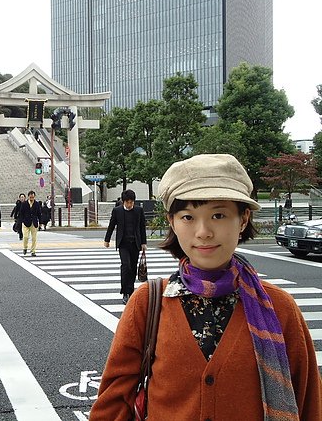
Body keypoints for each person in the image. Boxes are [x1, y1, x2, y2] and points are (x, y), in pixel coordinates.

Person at [90, 154, 321, 420]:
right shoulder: (148, 303)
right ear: (172, 222)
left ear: (243, 219)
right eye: (188, 217)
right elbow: (113, 404)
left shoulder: (279, 308)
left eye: (219, 215)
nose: (203, 232)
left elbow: (309, 404)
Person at [103, 189, 147, 303]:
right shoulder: (117, 211)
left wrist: (143, 243)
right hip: (123, 243)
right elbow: (111, 225)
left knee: (132, 268)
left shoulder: (139, 210)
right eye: (127, 202)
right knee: (126, 266)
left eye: (131, 202)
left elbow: (142, 227)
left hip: (135, 243)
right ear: (123, 201)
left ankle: (130, 291)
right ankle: (125, 292)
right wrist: (107, 240)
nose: (130, 204)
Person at [20, 190, 41, 256]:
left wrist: (40, 222)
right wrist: (22, 220)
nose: (32, 198)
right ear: (28, 197)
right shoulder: (24, 204)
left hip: (34, 223)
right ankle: (25, 247)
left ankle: (33, 251)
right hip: (26, 222)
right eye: (30, 197)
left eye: (33, 197)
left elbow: (39, 214)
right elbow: (21, 213)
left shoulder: (37, 204)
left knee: (34, 238)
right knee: (25, 237)